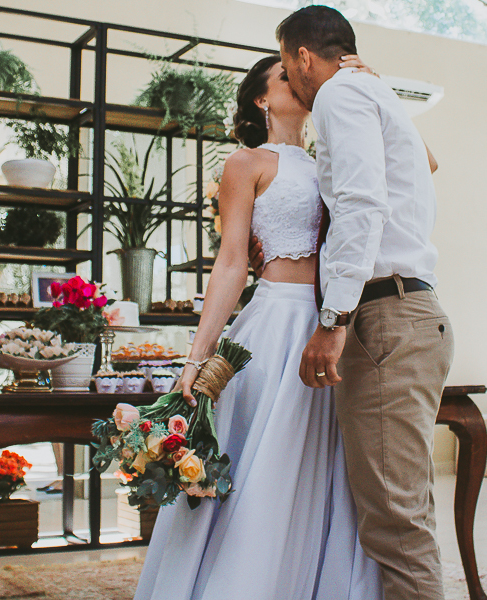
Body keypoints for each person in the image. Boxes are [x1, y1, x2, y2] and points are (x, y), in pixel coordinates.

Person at [134, 52, 384, 600]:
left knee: (327, 470)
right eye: (284, 76)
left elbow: (419, 166)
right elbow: (230, 263)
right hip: (273, 327)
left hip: (334, 326)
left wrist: (372, 84)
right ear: (261, 98)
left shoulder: (335, 158)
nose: (299, 78)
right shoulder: (245, 163)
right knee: (264, 467)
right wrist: (197, 357)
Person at [272, 7, 453, 600]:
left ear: (303, 57)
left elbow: (360, 204)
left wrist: (334, 319)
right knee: (403, 511)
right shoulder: (367, 92)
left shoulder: (339, 94)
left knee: (395, 525)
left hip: (384, 318)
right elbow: (423, 164)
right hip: (411, 314)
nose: (287, 77)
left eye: (284, 64)